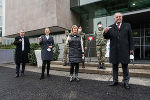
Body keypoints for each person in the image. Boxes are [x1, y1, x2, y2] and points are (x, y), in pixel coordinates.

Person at [104, 13, 134, 89]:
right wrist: (105, 32)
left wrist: (131, 48)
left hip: (124, 50)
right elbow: (106, 37)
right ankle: (115, 81)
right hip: (114, 50)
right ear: (114, 18)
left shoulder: (127, 25)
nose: (118, 18)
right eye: (117, 17)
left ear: (122, 18)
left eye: (120, 16)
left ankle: (126, 82)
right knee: (114, 66)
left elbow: (131, 38)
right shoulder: (110, 27)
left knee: (125, 66)